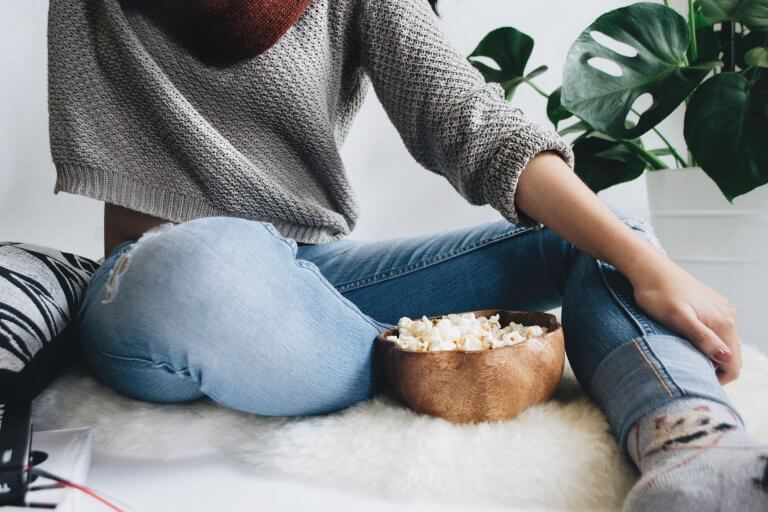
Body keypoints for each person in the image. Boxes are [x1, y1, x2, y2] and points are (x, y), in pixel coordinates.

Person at [47, 0, 766, 510]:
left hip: (313, 279)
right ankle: (417, 360)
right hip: (159, 286)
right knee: (200, 265)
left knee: (607, 234)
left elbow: (471, 122)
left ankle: (693, 444)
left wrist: (650, 265)